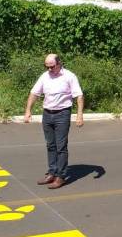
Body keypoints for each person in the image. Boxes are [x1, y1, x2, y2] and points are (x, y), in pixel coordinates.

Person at [23, 54, 84, 189]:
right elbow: (34, 93)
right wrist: (28, 110)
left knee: (61, 146)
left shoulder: (69, 76)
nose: (49, 69)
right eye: (47, 66)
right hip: (47, 114)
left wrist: (79, 115)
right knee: (50, 145)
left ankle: (60, 177)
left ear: (59, 63)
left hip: (62, 114)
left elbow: (79, 96)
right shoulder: (45, 76)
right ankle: (52, 172)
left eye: (52, 66)